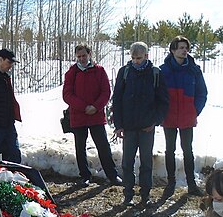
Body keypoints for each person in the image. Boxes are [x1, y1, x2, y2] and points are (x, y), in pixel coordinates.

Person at [111, 42, 169, 207]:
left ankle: (145, 195)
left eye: (140, 58)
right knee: (127, 163)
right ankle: (128, 194)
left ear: (146, 56)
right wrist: (119, 125)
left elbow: (163, 101)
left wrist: (155, 121)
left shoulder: (155, 73)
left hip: (147, 126)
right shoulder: (125, 72)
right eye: (134, 58)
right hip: (128, 127)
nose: (137, 61)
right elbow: (117, 99)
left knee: (146, 163)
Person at [62, 44, 122, 187]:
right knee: (80, 147)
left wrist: (95, 106)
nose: (82, 59)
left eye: (84, 55)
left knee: (103, 146)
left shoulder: (99, 71)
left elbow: (106, 92)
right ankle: (85, 176)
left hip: (96, 115)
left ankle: (112, 175)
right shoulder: (72, 72)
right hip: (78, 115)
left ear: (89, 54)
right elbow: (67, 95)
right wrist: (84, 107)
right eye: (79, 56)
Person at [160, 36, 208, 197]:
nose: (184, 50)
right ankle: (171, 182)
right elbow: (158, 94)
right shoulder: (163, 70)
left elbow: (202, 93)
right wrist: (162, 112)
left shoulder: (194, 70)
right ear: (173, 50)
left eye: (186, 47)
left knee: (188, 150)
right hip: (169, 116)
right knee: (170, 150)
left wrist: (195, 110)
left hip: (187, 116)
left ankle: (191, 184)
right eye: (180, 47)